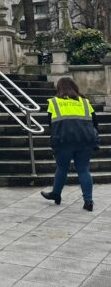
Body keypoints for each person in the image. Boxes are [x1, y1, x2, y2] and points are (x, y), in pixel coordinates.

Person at [41, 77, 99, 211]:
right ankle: (88, 201)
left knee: (62, 168)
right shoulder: (85, 102)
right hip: (85, 140)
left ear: (59, 88)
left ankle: (56, 194)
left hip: (63, 141)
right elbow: (95, 122)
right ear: (75, 87)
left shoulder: (54, 102)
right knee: (83, 169)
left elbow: (50, 123)